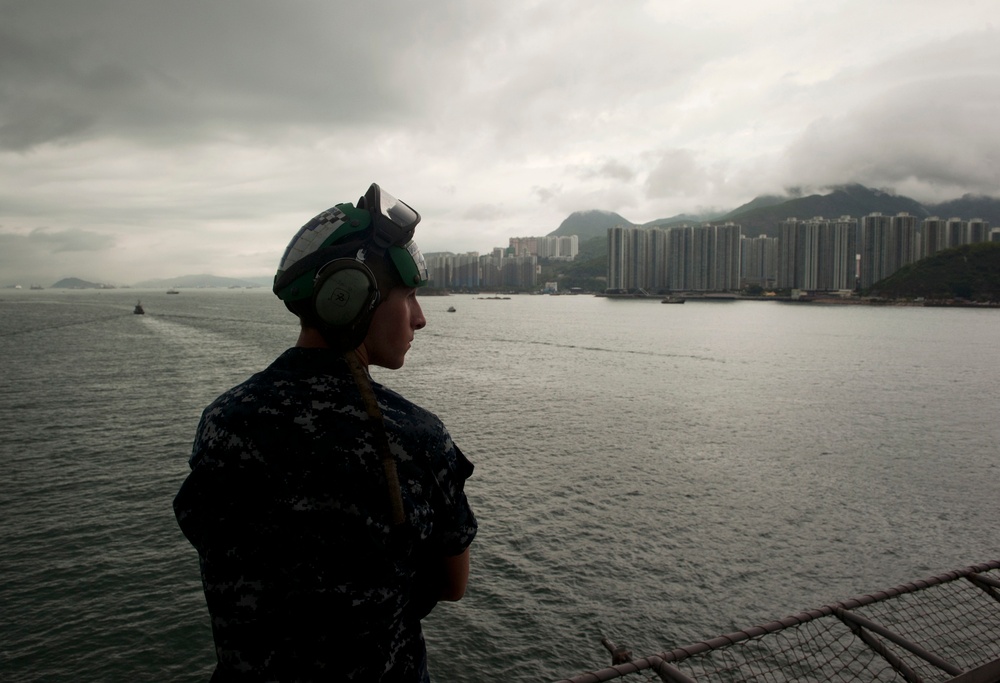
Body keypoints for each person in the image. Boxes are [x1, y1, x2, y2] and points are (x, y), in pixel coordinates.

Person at [173, 183, 478, 682]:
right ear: (351, 300)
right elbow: (452, 584)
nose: (420, 319)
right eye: (408, 297)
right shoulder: (415, 437)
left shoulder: (222, 421)